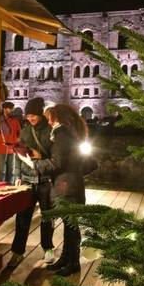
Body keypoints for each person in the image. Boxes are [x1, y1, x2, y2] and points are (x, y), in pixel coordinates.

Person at [18, 103, 88, 276]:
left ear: (57, 118)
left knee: (71, 224)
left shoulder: (62, 134)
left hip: (66, 185)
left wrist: (33, 164)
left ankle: (73, 263)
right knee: (68, 223)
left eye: (50, 117)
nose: (48, 121)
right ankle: (66, 258)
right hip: (68, 183)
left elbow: (56, 163)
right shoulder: (67, 132)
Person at [7, 97, 55, 267]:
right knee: (22, 217)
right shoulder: (25, 131)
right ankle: (18, 251)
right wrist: (17, 175)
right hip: (27, 179)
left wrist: (41, 156)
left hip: (45, 180)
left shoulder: (50, 131)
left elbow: (56, 157)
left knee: (47, 216)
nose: (30, 118)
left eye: (33, 115)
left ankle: (48, 248)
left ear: (40, 114)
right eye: (28, 115)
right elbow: (18, 154)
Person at [0, 101, 20, 184]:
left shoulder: (15, 121)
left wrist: (15, 143)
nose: (10, 110)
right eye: (9, 108)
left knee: (11, 171)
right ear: (4, 109)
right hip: (0, 148)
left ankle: (10, 187)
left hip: (12, 149)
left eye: (11, 109)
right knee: (1, 171)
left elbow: (19, 134)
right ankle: (0, 186)